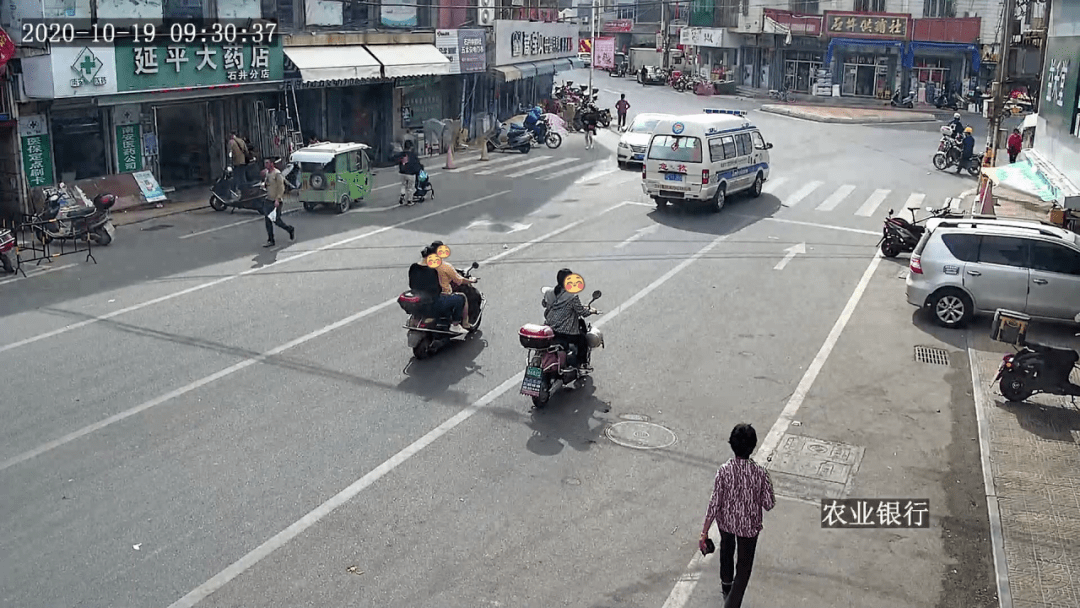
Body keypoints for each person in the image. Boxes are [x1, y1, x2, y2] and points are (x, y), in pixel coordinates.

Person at [700, 423, 775, 608]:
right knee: (743, 570)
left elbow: (714, 503)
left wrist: (704, 532)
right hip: (749, 529)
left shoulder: (724, 471)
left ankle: (727, 590)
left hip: (726, 524)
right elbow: (769, 504)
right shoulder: (760, 473)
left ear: (732, 444)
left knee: (726, 554)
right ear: (753, 446)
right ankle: (732, 603)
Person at [543, 268, 596, 370]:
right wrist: (591, 311)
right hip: (565, 333)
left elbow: (544, 304)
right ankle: (583, 365)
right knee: (582, 339)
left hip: (550, 329)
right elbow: (581, 312)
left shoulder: (550, 292)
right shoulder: (572, 297)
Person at [410, 247, 465, 329]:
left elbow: (411, 284)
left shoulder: (413, 267)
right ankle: (455, 324)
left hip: (420, 299)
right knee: (460, 298)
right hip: (434, 302)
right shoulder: (432, 270)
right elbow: (437, 289)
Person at [429, 240, 478, 330]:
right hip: (442, 298)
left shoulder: (424, 265)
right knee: (462, 297)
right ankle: (461, 323)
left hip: (426, 297)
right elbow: (460, 280)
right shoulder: (445, 266)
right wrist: (471, 281)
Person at [261, 158, 295, 247]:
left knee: (277, 220)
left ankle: (289, 229)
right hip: (268, 199)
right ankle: (271, 239)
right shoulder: (268, 173)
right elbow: (267, 184)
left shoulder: (277, 174)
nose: (266, 165)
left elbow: (281, 188)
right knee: (267, 220)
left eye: (267, 163)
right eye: (265, 163)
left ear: (272, 164)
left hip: (276, 201)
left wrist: (278, 199)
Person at [390, 140, 422, 206]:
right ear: (411, 147)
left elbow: (394, 158)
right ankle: (409, 200)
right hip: (411, 174)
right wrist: (419, 171)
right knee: (410, 187)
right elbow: (417, 165)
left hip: (402, 173)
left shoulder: (402, 154)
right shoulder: (413, 155)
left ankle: (402, 194)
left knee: (403, 185)